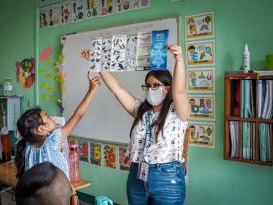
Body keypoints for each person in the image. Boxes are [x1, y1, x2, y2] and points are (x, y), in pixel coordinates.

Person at [82, 45, 189, 205]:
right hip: (137, 175)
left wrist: (179, 59)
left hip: (167, 178)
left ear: (167, 88)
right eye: (147, 85)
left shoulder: (178, 112)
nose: (150, 89)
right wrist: (98, 62)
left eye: (155, 85)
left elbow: (179, 92)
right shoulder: (141, 109)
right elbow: (116, 89)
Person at [16, 72, 100, 178]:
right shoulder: (53, 141)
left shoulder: (28, 147)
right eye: (47, 117)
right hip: (57, 194)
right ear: (41, 129)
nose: (51, 118)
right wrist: (91, 91)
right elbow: (78, 115)